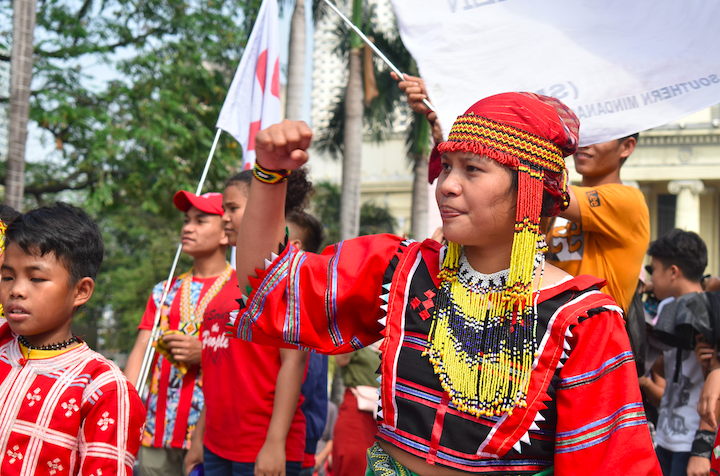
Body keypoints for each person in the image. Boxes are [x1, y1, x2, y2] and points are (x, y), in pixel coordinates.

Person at [230, 93, 661, 475]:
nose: (447, 185)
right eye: (447, 167)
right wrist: (270, 175)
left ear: (529, 189)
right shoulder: (399, 270)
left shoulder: (581, 320)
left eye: (472, 170)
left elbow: (611, 463)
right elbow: (266, 286)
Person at [391, 73, 650, 314]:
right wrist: (455, 134)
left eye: (600, 136)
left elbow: (527, 183)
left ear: (627, 147)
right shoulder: (540, 197)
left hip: (579, 338)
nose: (584, 143)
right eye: (447, 167)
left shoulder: (628, 201)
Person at [183, 172, 314, 476]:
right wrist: (200, 438)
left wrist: (274, 443)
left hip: (261, 451)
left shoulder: (287, 277)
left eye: (232, 208)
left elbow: (292, 364)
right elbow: (218, 369)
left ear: (261, 206)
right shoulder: (225, 284)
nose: (224, 217)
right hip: (216, 447)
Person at [0, 203, 145, 475]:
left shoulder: (102, 387)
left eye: (37, 278)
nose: (16, 290)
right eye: (7, 276)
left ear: (81, 291)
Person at [125, 191, 234, 476]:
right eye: (186, 220)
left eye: (200, 221)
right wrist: (125, 406)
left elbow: (252, 356)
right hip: (157, 429)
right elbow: (142, 349)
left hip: (215, 432)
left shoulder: (240, 290)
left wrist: (206, 351)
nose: (187, 227)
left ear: (226, 233)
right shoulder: (164, 290)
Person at [640, 229, 715, 476]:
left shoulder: (708, 310)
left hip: (691, 440)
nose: (652, 279)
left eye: (654, 270)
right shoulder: (667, 307)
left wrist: (701, 451)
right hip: (665, 436)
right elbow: (670, 367)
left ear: (673, 272)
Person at [333, 347, 381, 476]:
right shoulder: (359, 336)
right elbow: (341, 359)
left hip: (381, 418)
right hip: (357, 412)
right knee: (355, 465)